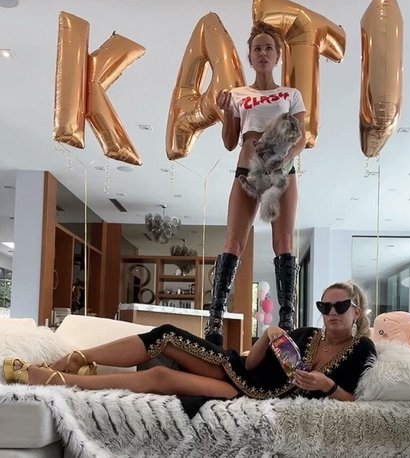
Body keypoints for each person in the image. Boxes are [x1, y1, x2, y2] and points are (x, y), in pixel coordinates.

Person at [4, 282, 376, 410]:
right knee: (165, 333)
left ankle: (61, 381)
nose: (331, 313)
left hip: (252, 396)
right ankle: (75, 358)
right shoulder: (308, 334)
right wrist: (266, 336)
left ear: (355, 311)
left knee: (162, 378)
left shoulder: (363, 351)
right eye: (324, 306)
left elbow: (358, 401)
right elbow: (251, 366)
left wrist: (327, 385)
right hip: (240, 371)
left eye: (340, 306)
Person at [205, 21, 308, 346]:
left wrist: (284, 159)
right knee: (233, 242)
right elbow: (229, 141)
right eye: (257, 48)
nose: (263, 53)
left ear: (277, 56)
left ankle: (287, 319)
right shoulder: (238, 94)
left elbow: (302, 137)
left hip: (281, 169)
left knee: (284, 243)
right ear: (249, 57)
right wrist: (226, 111)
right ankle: (215, 319)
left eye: (268, 48)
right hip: (247, 168)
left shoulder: (291, 94)